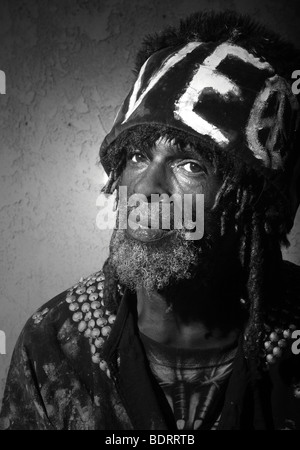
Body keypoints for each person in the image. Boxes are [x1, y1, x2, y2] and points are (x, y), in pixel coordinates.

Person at [1, 10, 300, 430]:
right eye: (138, 157)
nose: (146, 190)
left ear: (258, 206)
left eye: (191, 165)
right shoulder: (54, 343)